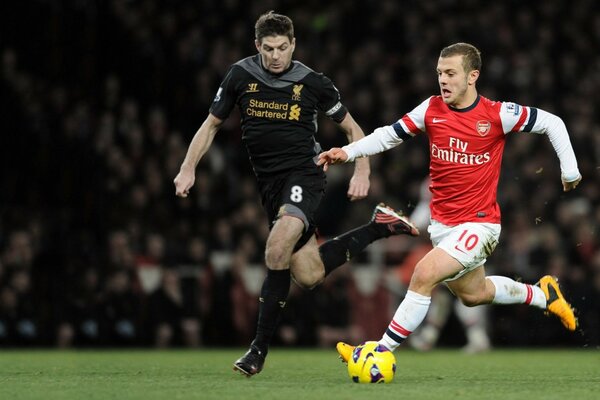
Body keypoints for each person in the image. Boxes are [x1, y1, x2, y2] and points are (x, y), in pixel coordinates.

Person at [173, 11, 419, 376]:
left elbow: (354, 130)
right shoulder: (241, 75)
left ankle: (257, 350)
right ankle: (378, 227)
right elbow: (210, 125)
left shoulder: (313, 82)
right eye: (268, 48)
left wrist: (361, 169)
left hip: (306, 174)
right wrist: (187, 166)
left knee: (276, 247)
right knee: (308, 274)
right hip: (270, 187)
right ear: (257, 46)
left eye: (282, 48)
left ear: (293, 45)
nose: (275, 56)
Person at [317, 42, 582, 360]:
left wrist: (569, 171)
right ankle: (542, 295)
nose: (443, 79)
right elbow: (389, 134)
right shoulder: (430, 109)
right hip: (442, 226)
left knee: (423, 274)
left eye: (451, 73)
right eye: (440, 72)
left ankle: (377, 352)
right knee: (474, 295)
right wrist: (348, 152)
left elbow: (553, 123)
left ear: (473, 76)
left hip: (480, 224)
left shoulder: (496, 114)